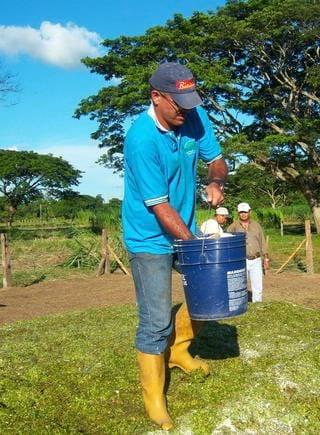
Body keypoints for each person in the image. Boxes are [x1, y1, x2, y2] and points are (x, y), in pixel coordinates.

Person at [122, 62, 227, 430]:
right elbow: (160, 207)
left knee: (210, 293)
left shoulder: (193, 116)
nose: (186, 110)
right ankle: (153, 397)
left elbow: (216, 160)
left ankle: (179, 351)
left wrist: (216, 182)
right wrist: (194, 246)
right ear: (156, 97)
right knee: (155, 320)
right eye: (178, 103)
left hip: (183, 228)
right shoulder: (141, 139)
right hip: (149, 238)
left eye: (190, 101)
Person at [227, 202, 269, 302]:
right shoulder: (233, 227)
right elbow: (228, 244)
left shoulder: (256, 225)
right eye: (241, 212)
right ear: (238, 213)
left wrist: (266, 259)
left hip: (256, 259)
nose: (243, 214)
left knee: (257, 285)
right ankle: (240, 305)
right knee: (240, 284)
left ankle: (257, 305)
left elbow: (262, 242)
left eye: (245, 212)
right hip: (241, 260)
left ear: (250, 212)